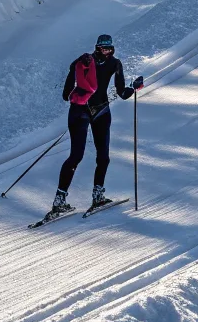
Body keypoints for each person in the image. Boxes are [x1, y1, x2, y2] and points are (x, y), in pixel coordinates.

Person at [51, 34, 143, 215]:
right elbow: (122, 93)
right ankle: (85, 197)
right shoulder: (112, 63)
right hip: (98, 112)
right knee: (90, 157)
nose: (107, 52)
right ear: (99, 47)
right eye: (104, 48)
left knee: (89, 156)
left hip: (83, 112)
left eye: (108, 48)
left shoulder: (86, 61)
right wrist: (135, 88)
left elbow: (66, 94)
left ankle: (71, 199)